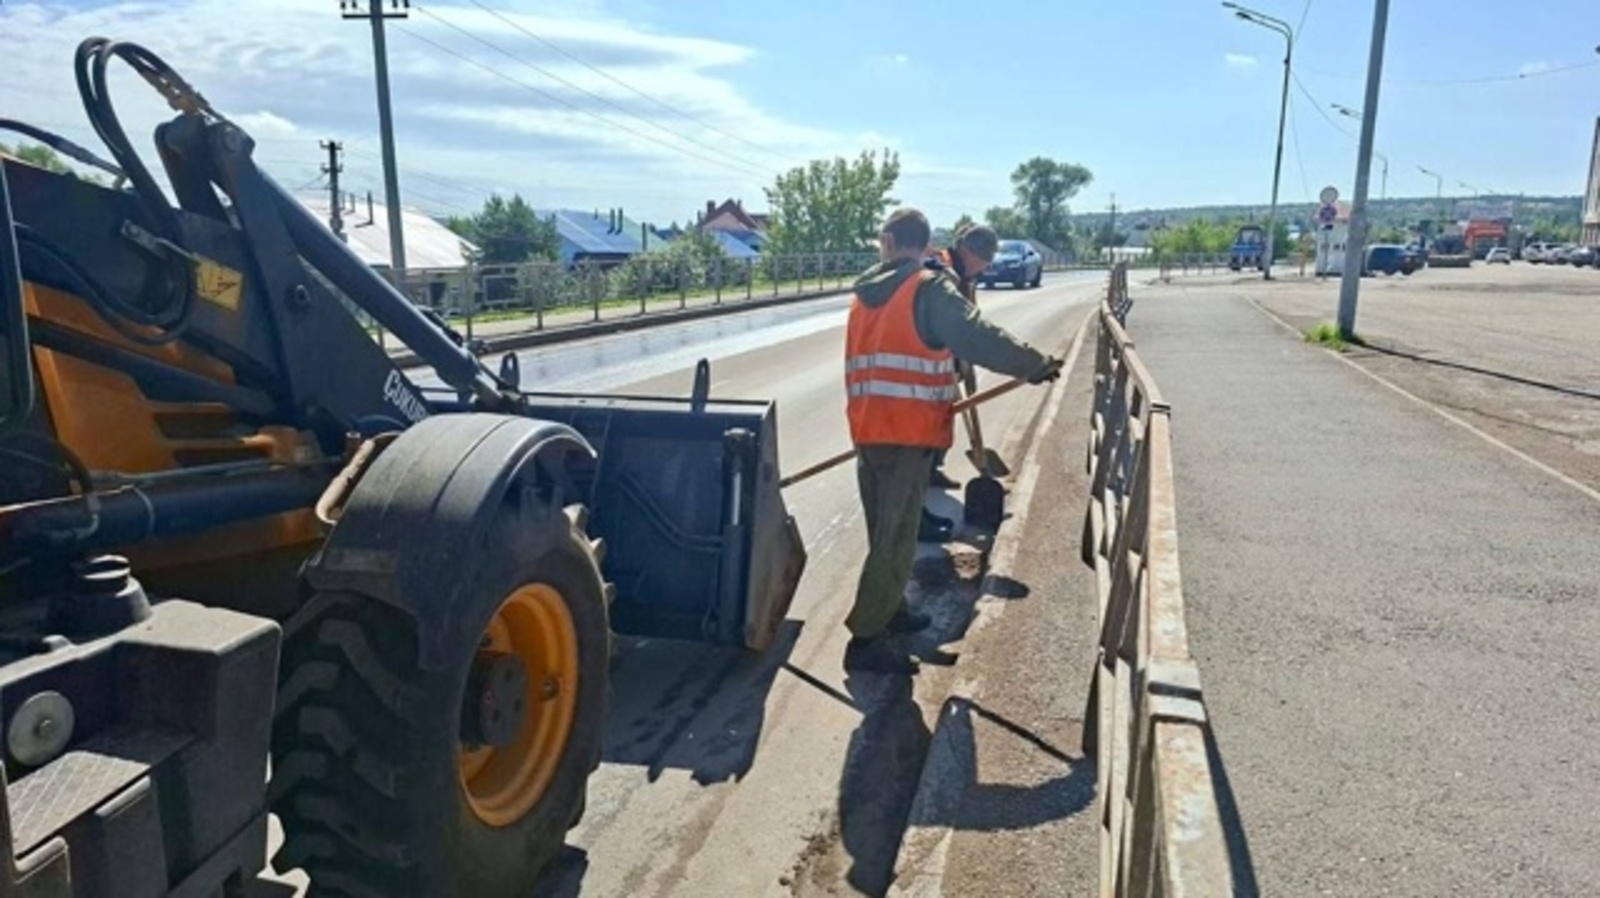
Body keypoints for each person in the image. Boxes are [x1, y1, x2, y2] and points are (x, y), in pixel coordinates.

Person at [843, 209, 1061, 674]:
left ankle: (892, 609)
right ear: (923, 245)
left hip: (867, 430)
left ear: (887, 241)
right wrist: (1033, 363)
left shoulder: (865, 294)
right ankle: (866, 640)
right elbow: (976, 336)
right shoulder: (927, 288)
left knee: (885, 534)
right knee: (896, 539)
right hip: (906, 432)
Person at [923, 225, 998, 498]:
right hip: (931, 359)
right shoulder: (943, 272)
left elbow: (971, 315)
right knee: (931, 419)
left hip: (951, 358)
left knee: (945, 418)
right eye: (983, 260)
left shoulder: (967, 275)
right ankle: (923, 474)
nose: (985, 268)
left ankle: (933, 468)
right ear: (967, 251)